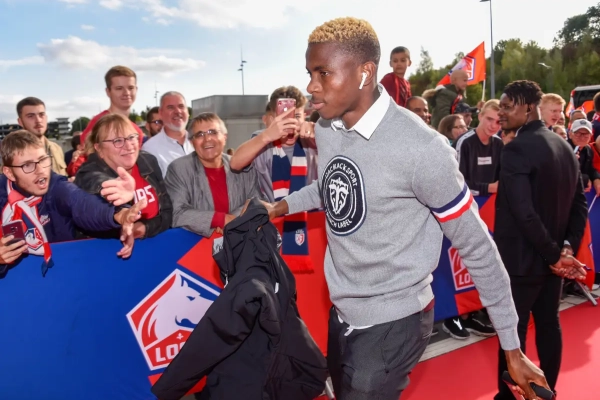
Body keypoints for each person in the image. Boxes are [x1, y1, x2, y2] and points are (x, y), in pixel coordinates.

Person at [261, 17, 549, 400]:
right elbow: (330, 186)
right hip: (342, 312)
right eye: (310, 73)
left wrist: (511, 347)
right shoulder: (328, 128)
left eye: (323, 73)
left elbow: (477, 246)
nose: (311, 86)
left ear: (365, 73)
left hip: (395, 323)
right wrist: (279, 206)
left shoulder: (422, 149)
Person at [494, 80, 588, 400]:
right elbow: (579, 208)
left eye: (508, 106)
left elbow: (524, 212)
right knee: (549, 325)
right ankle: (548, 392)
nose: (501, 113)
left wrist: (554, 255)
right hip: (552, 263)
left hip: (523, 263)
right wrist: (565, 250)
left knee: (513, 333)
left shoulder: (516, 149)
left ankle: (510, 397)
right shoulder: (563, 146)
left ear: (528, 108)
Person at [0, 130, 145, 275]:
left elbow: (81, 202)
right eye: (27, 165)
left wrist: (118, 214)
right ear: (9, 173)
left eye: (43, 160)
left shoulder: (56, 186)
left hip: (63, 273)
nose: (40, 170)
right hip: (16, 283)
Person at [165, 113, 264, 238]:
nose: (207, 139)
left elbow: (257, 202)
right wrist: (219, 219)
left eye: (213, 132)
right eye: (200, 135)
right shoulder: (179, 169)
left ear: (225, 137)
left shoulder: (242, 165)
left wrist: (233, 221)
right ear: (191, 142)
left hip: (243, 242)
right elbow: (176, 213)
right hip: (197, 247)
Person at [74, 114, 173, 239]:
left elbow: (167, 212)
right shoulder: (87, 173)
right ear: (99, 148)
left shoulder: (148, 161)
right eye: (118, 141)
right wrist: (114, 192)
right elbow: (96, 182)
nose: (128, 145)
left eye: (131, 137)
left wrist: (144, 228)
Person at [16, 97, 67, 176]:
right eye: (30, 116)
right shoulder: (13, 153)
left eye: (41, 115)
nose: (38, 120)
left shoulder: (56, 148)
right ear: (20, 122)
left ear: (46, 118)